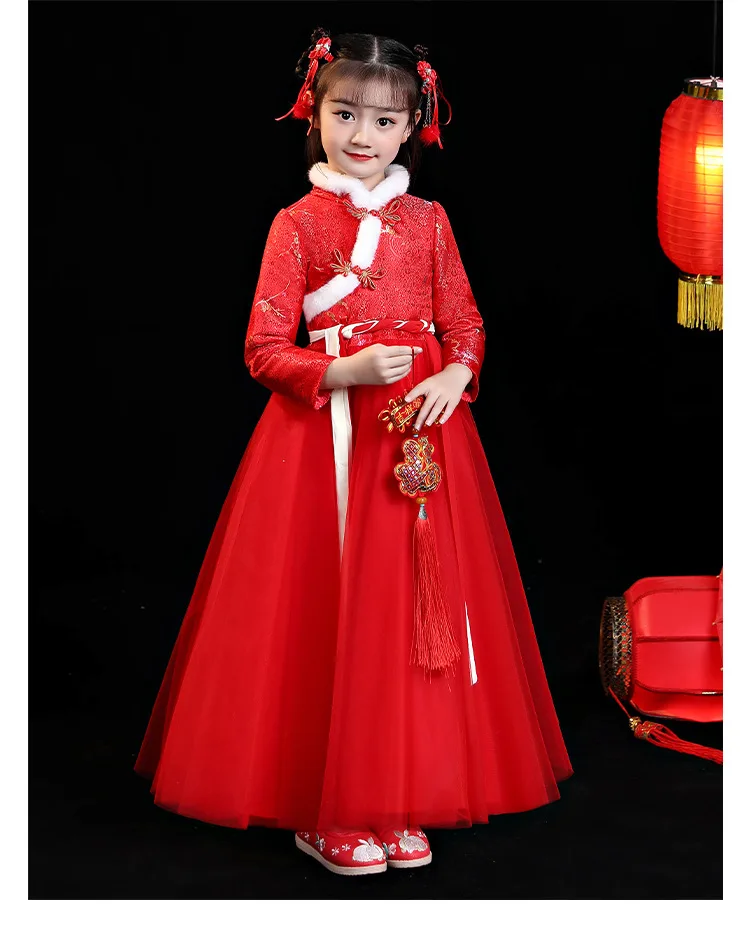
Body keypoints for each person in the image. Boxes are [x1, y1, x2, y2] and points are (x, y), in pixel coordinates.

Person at [134, 28, 573, 877]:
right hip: (321, 443)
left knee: (412, 611)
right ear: (315, 115)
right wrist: (342, 369)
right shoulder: (296, 224)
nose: (361, 135)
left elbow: (467, 324)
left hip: (419, 434)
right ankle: (328, 806)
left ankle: (396, 793)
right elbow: (264, 349)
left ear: (412, 127)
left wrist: (457, 374)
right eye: (344, 114)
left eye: (383, 120)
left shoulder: (430, 222)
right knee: (331, 606)